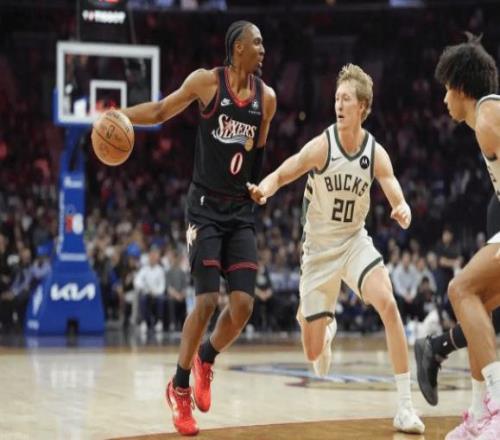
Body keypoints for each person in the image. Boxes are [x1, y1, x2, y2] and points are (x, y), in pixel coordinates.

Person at [247, 63, 425, 434]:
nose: (339, 105)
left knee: (389, 305)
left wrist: (402, 207)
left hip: (354, 241)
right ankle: (326, 331)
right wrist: (264, 188)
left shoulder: (375, 152)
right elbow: (285, 171)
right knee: (314, 355)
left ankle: (405, 407)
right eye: (336, 98)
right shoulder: (322, 146)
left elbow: (392, 185)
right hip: (318, 251)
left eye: (346, 99)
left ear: (363, 107)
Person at [121, 20, 276, 436]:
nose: (263, 49)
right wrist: (120, 116)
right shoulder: (207, 83)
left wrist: (258, 188)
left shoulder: (267, 99)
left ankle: (206, 357)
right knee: (206, 300)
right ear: (238, 47)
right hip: (204, 208)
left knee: (243, 307)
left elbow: (258, 156)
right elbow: (159, 111)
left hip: (239, 211)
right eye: (257, 42)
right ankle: (179, 386)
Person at [414, 33, 500, 440]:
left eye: (446, 88)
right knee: (475, 301)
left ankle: (497, 407)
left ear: (461, 87)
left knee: (460, 288)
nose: (444, 98)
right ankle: (480, 413)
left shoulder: (488, 119)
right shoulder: (486, 117)